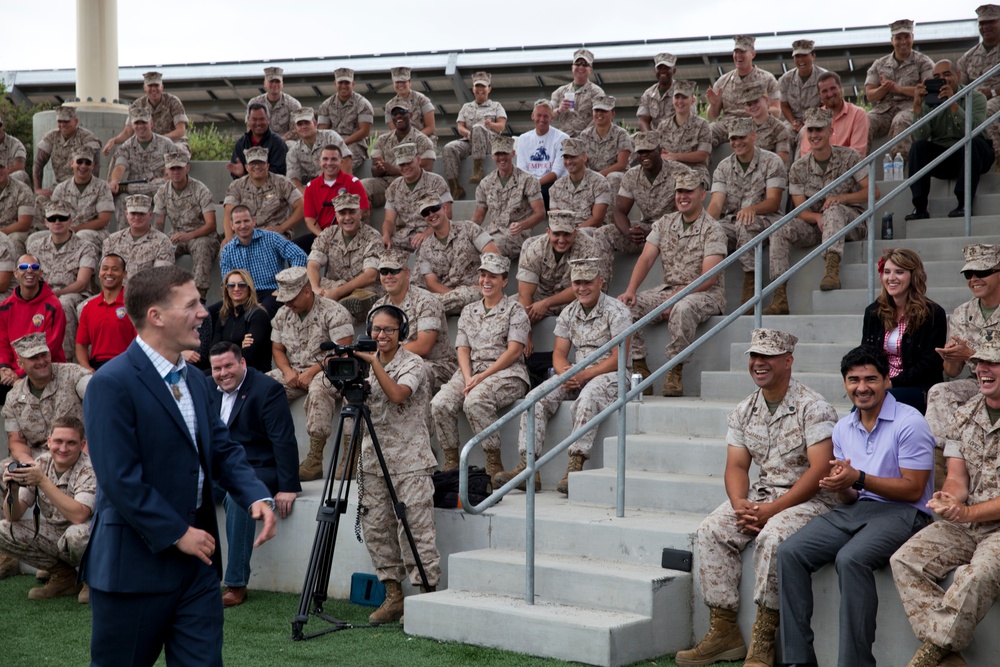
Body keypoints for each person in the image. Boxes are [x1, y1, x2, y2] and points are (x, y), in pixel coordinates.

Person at [80, 265, 276, 667]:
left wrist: (255, 494)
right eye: (192, 304)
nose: (204, 313)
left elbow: (222, 449)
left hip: (198, 569)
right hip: (132, 570)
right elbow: (119, 478)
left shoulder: (196, 380)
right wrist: (175, 533)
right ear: (156, 316)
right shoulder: (110, 383)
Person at [674, 329, 837, 667]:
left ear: (788, 360)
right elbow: (735, 465)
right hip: (762, 496)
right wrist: (739, 503)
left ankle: (763, 639)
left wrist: (772, 510)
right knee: (711, 529)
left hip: (812, 500)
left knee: (774, 537)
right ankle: (723, 632)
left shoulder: (813, 406)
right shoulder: (744, 410)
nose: (758, 363)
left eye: (768, 356)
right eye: (754, 356)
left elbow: (820, 470)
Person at [777, 346, 934, 667]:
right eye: (853, 380)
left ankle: (855, 663)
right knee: (789, 552)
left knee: (851, 559)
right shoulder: (843, 428)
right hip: (857, 508)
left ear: (886, 381)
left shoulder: (910, 421)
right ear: (845, 383)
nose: (861, 387)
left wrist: (858, 477)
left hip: (906, 511)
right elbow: (849, 495)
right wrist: (842, 486)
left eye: (870, 379)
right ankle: (798, 659)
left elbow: (914, 489)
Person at [890, 336, 1000, 667]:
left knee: (977, 574)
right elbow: (957, 476)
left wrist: (965, 512)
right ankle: (947, 653)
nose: (983, 370)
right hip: (968, 522)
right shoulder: (964, 415)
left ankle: (931, 653)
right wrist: (950, 498)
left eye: (993, 363)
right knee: (905, 560)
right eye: (979, 363)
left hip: (993, 528)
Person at [495, 257, 631, 494]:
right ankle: (529, 469)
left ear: (601, 282)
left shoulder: (617, 311)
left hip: (611, 374)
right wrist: (564, 372)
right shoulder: (569, 312)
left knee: (588, 397)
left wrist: (584, 374)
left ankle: (574, 466)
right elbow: (559, 353)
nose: (582, 287)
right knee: (534, 399)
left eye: (588, 281)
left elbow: (618, 358)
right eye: (577, 282)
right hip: (578, 373)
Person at [354, 303, 441, 624]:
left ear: (401, 332)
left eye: (388, 329)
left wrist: (374, 364)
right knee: (377, 528)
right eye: (376, 329)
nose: (381, 335)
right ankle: (394, 596)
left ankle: (427, 595)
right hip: (373, 460)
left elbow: (398, 394)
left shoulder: (413, 363)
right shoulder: (362, 363)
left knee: (415, 531)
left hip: (410, 460)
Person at [618, 168, 727, 397]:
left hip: (705, 293)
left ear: (702, 194)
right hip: (670, 289)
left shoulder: (713, 229)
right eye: (679, 191)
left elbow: (710, 276)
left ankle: (673, 370)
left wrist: (674, 299)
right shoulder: (665, 223)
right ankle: (640, 368)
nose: (682, 196)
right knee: (625, 308)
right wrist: (630, 290)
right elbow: (646, 258)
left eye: (689, 191)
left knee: (682, 308)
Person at [209, 342, 299, 608]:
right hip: (218, 468)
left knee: (239, 499)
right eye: (217, 368)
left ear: (242, 363)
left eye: (228, 366)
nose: (223, 373)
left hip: (258, 468)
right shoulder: (204, 387)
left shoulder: (267, 389)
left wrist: (288, 486)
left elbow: (283, 440)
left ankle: (236, 584)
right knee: (182, 488)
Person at [431, 253, 530, 475]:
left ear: (504, 281)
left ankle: (493, 462)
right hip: (471, 370)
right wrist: (467, 377)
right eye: (483, 275)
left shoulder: (515, 310)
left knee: (475, 401)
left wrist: (481, 378)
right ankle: (452, 463)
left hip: (507, 372)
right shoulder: (469, 310)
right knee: (440, 403)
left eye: (493, 276)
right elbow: (463, 350)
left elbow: (514, 352)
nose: (486, 280)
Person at [764, 108, 871, 312]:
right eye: (810, 130)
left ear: (830, 131)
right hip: (817, 225)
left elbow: (872, 193)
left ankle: (831, 270)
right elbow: (800, 209)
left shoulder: (849, 157)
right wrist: (816, 217)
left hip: (851, 223)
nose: (814, 135)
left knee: (834, 209)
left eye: (819, 130)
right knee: (779, 228)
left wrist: (842, 198)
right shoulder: (798, 167)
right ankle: (779, 297)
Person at [267, 266, 353, 481]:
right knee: (263, 387)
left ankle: (314, 459)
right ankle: (263, 451)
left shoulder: (334, 312)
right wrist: (287, 371)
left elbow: (343, 351)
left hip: (330, 370)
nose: (287, 303)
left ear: (306, 290)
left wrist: (313, 371)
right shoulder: (283, 314)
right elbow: (277, 349)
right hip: (294, 371)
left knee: (318, 388)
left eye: (291, 298)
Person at [925, 243, 1000, 479]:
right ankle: (936, 469)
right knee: (940, 392)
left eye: (983, 273)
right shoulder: (961, 313)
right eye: (969, 274)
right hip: (976, 382)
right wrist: (950, 357)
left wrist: (969, 354)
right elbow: (953, 371)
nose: (974, 279)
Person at [0, 416, 94, 602]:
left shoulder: (89, 468)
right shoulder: (41, 463)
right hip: (57, 533)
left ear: (82, 444)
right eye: (58, 441)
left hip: (89, 535)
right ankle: (64, 578)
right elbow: (13, 516)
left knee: (76, 535)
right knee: (3, 529)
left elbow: (79, 515)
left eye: (71, 443)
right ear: (49, 441)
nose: (63, 448)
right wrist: (14, 488)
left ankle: (92, 579)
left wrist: (42, 481)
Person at [706, 116, 787, 305]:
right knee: (711, 232)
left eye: (742, 137)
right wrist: (704, 225)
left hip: (768, 221)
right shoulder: (723, 167)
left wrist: (752, 209)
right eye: (733, 138)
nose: (737, 142)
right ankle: (706, 289)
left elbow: (774, 202)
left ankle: (750, 284)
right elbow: (717, 204)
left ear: (753, 136)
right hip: (734, 222)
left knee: (743, 222)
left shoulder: (772, 161)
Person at [906, 59, 994, 220]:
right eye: (937, 76)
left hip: (974, 155)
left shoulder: (975, 98)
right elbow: (920, 137)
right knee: (918, 147)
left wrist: (952, 103)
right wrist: (917, 107)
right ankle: (919, 207)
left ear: (958, 76)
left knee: (973, 143)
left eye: (947, 74)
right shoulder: (929, 102)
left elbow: (973, 130)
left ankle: (964, 203)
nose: (943, 79)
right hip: (945, 156)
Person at [861, 248, 946, 415]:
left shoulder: (933, 314)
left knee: (880, 403)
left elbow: (931, 364)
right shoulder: (873, 312)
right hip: (882, 385)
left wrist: (892, 382)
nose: (891, 278)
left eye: (899, 272)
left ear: (913, 276)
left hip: (917, 387)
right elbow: (866, 354)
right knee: (860, 406)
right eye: (887, 272)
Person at [371, 249, 457, 395]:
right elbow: (373, 346)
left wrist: (386, 356)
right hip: (395, 363)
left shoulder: (426, 301)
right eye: (384, 271)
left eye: (395, 271)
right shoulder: (378, 307)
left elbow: (423, 346)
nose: (389, 276)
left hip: (436, 366)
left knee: (411, 371)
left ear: (407, 273)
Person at [27, 200, 98, 360]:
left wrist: (55, 294)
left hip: (75, 295)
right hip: (42, 293)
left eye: (62, 218)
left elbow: (82, 283)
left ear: (70, 221)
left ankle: (65, 360)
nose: (57, 222)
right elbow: (29, 276)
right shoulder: (35, 247)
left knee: (62, 304)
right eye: (52, 219)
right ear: (46, 222)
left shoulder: (85, 247)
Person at [599, 131, 687, 256]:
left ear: (659, 151)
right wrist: (628, 232)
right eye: (640, 152)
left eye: (649, 151)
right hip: (645, 229)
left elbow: (686, 214)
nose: (644, 155)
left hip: (673, 230)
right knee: (602, 233)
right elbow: (619, 211)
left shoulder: (680, 172)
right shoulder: (632, 175)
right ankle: (600, 276)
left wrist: (655, 233)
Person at [517, 211, 611, 323]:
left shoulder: (589, 247)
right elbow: (525, 293)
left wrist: (547, 303)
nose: (561, 240)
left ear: (574, 232)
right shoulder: (535, 249)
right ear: (548, 232)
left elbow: (586, 288)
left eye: (566, 234)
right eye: (556, 234)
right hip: (541, 298)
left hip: (578, 300)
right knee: (514, 311)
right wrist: (527, 328)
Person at [414, 194, 500, 315]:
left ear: (444, 208)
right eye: (426, 213)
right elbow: (431, 283)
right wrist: (452, 292)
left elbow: (494, 255)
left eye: (434, 209)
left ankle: (426, 308)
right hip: (447, 296)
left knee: (425, 305)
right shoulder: (425, 248)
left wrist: (484, 285)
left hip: (478, 291)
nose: (431, 214)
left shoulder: (468, 228)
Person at [219, 204, 308, 317]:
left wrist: (285, 286)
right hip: (243, 293)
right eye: (238, 222)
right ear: (231, 225)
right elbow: (227, 281)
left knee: (259, 313)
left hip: (272, 291)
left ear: (254, 221)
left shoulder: (272, 238)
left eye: (246, 221)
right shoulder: (227, 250)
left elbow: (299, 256)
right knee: (210, 314)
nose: (243, 226)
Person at [865, 19, 935, 162]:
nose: (903, 42)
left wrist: (900, 89)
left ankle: (899, 167)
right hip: (884, 111)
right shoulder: (880, 64)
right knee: (864, 120)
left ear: (912, 38)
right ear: (892, 40)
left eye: (906, 37)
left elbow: (929, 90)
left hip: (911, 108)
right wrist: (884, 89)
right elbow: (870, 96)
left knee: (901, 121)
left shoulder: (923, 62)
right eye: (898, 38)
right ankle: (859, 167)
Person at [153, 151, 219, 300]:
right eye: (172, 168)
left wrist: (189, 235)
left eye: (179, 168)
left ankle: (198, 297)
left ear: (187, 168)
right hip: (176, 235)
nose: (176, 172)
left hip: (202, 235)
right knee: (158, 249)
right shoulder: (163, 191)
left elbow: (211, 225)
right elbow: (159, 221)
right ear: (166, 170)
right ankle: (160, 294)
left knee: (202, 245)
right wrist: (159, 241)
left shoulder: (200, 189)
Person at [306, 192, 382, 318]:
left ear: (360, 213)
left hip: (361, 289)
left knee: (367, 293)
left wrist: (336, 293)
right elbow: (313, 264)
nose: (347, 218)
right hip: (332, 286)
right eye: (342, 213)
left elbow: (370, 276)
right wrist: (315, 288)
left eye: (352, 212)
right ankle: (338, 303)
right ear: (336, 215)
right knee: (311, 284)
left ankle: (340, 304)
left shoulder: (372, 237)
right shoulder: (328, 233)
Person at [470, 135, 545, 259]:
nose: (501, 158)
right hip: (491, 232)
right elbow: (478, 216)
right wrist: (467, 231)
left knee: (491, 249)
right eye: (498, 154)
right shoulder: (486, 183)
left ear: (513, 154)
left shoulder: (528, 180)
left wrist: (522, 225)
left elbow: (540, 213)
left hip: (516, 236)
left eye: (505, 153)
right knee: (465, 248)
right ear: (493, 156)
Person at [0, 256, 67, 384]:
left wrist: (17, 375)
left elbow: (49, 349)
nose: (29, 271)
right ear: (15, 273)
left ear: (41, 273)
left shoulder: (53, 305)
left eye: (34, 267)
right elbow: (2, 344)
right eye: (24, 267)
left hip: (44, 370)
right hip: (12, 373)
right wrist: (4, 369)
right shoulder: (4, 307)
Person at [362, 99, 437, 209]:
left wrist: (395, 170)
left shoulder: (422, 140)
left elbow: (428, 167)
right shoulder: (382, 140)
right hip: (386, 184)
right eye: (394, 113)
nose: (398, 116)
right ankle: (363, 225)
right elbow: (374, 170)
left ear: (410, 115)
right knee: (360, 187)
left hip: (412, 185)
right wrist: (380, 168)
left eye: (402, 112)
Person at [443, 71, 507, 199]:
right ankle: (455, 187)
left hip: (489, 143)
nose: (480, 89)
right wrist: (467, 133)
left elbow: (501, 126)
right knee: (449, 148)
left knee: (478, 127)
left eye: (483, 86)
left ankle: (478, 170)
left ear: (489, 89)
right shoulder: (467, 107)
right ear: (473, 89)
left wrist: (490, 125)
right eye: (477, 86)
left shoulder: (496, 106)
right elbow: (460, 126)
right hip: (470, 141)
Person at [707, 35, 781, 145]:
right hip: (728, 126)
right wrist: (714, 105)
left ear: (752, 54)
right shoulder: (723, 81)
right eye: (736, 52)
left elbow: (777, 111)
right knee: (705, 134)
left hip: (755, 125)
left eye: (742, 52)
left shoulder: (767, 79)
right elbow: (712, 117)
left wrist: (758, 111)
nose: (738, 56)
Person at [223, 146, 303, 242]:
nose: (257, 166)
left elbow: (302, 206)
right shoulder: (237, 185)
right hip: (245, 233)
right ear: (246, 167)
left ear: (267, 166)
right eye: (252, 163)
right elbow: (228, 213)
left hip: (274, 236)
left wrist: (282, 228)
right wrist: (229, 238)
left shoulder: (282, 182)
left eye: (261, 163)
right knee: (225, 250)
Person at [107, 106, 174, 222]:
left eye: (144, 122)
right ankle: (124, 238)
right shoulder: (126, 146)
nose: (140, 126)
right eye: (137, 123)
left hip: (157, 190)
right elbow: (120, 166)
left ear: (151, 123)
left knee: (162, 189)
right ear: (132, 126)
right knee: (121, 198)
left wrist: (163, 179)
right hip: (134, 194)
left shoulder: (166, 144)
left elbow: (176, 170)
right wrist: (114, 181)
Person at [381, 143, 453, 252]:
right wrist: (386, 236)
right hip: (407, 235)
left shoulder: (436, 182)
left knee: (427, 249)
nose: (405, 167)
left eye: (409, 162)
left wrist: (427, 233)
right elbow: (389, 220)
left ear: (418, 160)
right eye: (401, 164)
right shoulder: (394, 187)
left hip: (434, 231)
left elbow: (448, 213)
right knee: (384, 250)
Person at [300, 142, 369, 251]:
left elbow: (363, 211)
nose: (329, 163)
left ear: (341, 162)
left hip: (349, 233)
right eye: (325, 159)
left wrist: (345, 232)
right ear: (319, 162)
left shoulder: (353, 183)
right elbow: (309, 219)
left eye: (334, 159)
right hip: (322, 234)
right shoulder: (311, 186)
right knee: (295, 248)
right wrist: (322, 236)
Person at [103, 71, 189, 154]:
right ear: (145, 87)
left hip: (173, 142)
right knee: (121, 153)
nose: (153, 89)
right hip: (146, 143)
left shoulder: (173, 102)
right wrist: (114, 140)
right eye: (150, 85)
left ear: (162, 87)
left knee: (178, 154)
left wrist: (161, 139)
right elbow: (128, 132)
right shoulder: (137, 105)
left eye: (156, 85)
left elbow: (180, 131)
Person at [75, 253, 135, 371]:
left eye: (115, 269)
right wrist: (87, 368)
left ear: (124, 274)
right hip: (97, 368)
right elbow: (81, 344)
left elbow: (143, 344)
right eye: (105, 268)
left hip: (127, 366)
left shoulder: (134, 304)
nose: (109, 273)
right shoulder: (89, 307)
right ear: (99, 273)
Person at [205, 270, 272, 374]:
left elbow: (249, 354)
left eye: (242, 285)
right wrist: (239, 346)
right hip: (226, 370)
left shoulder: (258, 315)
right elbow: (213, 350)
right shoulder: (224, 315)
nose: (236, 288)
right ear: (226, 289)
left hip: (252, 372)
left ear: (249, 288)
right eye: (231, 285)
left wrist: (225, 347)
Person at [49, 148, 114, 250]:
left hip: (96, 233)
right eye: (79, 162)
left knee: (81, 236)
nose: (83, 166)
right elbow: (53, 215)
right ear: (72, 163)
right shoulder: (61, 188)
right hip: (64, 231)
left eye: (87, 163)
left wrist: (76, 229)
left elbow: (103, 220)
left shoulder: (102, 187)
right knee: (34, 239)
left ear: (92, 166)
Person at [958, 4, 1000, 159]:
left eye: (991, 22)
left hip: (996, 100)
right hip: (975, 101)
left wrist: (993, 92)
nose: (986, 27)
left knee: (985, 111)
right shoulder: (968, 57)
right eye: (982, 23)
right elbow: (960, 88)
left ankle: (993, 160)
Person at [101, 194, 174, 281]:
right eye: (133, 213)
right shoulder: (112, 241)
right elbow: (105, 275)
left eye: (141, 213)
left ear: (150, 215)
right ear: (126, 214)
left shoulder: (162, 242)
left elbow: (161, 278)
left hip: (145, 293)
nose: (137, 217)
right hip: (117, 292)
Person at [34, 105, 102, 198]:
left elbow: (95, 165)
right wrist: (38, 189)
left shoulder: (86, 138)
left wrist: (91, 190)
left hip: (82, 187)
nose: (62, 125)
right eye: (59, 121)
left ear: (76, 121)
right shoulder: (51, 137)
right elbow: (38, 163)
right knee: (40, 200)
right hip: (58, 187)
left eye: (66, 121)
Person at [797, 71, 869, 158]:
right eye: (824, 91)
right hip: (819, 170)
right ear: (819, 95)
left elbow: (858, 153)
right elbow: (806, 153)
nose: (830, 94)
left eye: (833, 88)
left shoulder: (858, 114)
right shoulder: (813, 118)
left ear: (840, 88)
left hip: (850, 169)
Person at [514, 99, 570, 209]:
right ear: (532, 116)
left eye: (546, 116)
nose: (542, 119)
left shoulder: (562, 138)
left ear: (552, 118)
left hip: (554, 184)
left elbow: (556, 173)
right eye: (539, 115)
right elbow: (522, 170)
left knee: (544, 191)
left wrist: (534, 185)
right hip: (530, 184)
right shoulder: (523, 139)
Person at [656, 80, 712, 186]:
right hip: (669, 173)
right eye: (677, 97)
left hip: (694, 172)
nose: (680, 101)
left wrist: (676, 156)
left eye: (684, 97)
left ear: (693, 100)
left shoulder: (702, 125)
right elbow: (659, 152)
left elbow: (702, 155)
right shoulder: (663, 126)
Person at [548, 138, 611, 230]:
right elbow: (555, 219)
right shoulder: (556, 187)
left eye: (573, 157)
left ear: (584, 157)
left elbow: (597, 220)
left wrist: (573, 232)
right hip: (563, 234)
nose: (568, 162)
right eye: (566, 157)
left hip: (590, 232)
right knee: (529, 242)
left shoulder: (599, 183)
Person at [316, 68, 374, 169]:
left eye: (347, 82)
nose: (343, 86)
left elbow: (364, 131)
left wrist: (342, 143)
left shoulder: (363, 104)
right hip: (331, 143)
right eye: (340, 82)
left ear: (353, 84)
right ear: (335, 84)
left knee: (343, 161)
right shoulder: (326, 105)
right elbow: (322, 131)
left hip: (354, 144)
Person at [286, 107, 353, 190]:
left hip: (337, 184)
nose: (304, 127)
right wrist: (305, 196)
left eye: (307, 123)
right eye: (300, 124)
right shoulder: (294, 150)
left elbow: (346, 160)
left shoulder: (330, 137)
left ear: (315, 123)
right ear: (295, 128)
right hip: (314, 188)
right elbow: (293, 178)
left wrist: (341, 187)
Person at [551, 48, 606, 137]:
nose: (581, 67)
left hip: (588, 141)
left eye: (585, 64)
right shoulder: (560, 92)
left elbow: (600, 118)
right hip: (565, 141)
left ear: (590, 69)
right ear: (572, 67)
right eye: (577, 63)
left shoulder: (597, 92)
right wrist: (559, 110)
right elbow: (547, 115)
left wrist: (583, 137)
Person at [779, 40, 827, 136]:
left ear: (813, 56)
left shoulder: (824, 77)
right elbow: (784, 105)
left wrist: (809, 122)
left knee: (804, 134)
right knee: (783, 134)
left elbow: (826, 106)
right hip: (793, 121)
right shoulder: (786, 79)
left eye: (804, 55)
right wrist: (794, 122)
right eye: (797, 56)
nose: (801, 60)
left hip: (818, 120)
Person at [228, 102, 288, 179]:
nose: (258, 123)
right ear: (248, 121)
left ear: (268, 120)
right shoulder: (241, 143)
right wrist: (241, 174)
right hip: (246, 188)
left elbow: (280, 171)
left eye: (262, 119)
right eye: (254, 119)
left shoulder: (277, 143)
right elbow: (236, 172)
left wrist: (253, 172)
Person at [742, 85, 792, 165]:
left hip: (771, 172)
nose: (753, 106)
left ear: (767, 100)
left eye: (756, 101)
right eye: (749, 104)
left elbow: (782, 159)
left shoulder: (779, 128)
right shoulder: (743, 127)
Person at [383, 67, 436, 142]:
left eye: (404, 82)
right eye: (397, 82)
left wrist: (412, 139)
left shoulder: (422, 100)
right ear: (393, 84)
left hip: (424, 141)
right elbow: (394, 130)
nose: (400, 85)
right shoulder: (389, 106)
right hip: (402, 143)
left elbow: (431, 127)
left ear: (410, 82)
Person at [246, 67, 301, 138]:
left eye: (277, 81)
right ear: (265, 83)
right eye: (271, 81)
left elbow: (295, 131)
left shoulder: (293, 104)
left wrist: (277, 143)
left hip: (284, 143)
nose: (274, 84)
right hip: (261, 141)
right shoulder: (254, 103)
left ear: (282, 84)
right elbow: (250, 128)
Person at [0, 155, 35, 257]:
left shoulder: (22, 190)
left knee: (14, 239)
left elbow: (24, 224)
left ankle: (16, 271)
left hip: (15, 231)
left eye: (1, 167)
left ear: (8, 167)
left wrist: (3, 232)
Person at [637, 53, 677, 132]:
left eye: (667, 68)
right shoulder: (649, 94)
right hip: (656, 139)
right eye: (660, 68)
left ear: (674, 71)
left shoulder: (682, 91)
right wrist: (650, 136)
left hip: (678, 138)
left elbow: (690, 119)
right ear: (655, 71)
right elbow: (643, 120)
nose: (663, 71)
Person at [0, 111, 28, 184]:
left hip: (11, 185)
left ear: (3, 125)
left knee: (20, 174)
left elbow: (19, 167)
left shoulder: (16, 145)